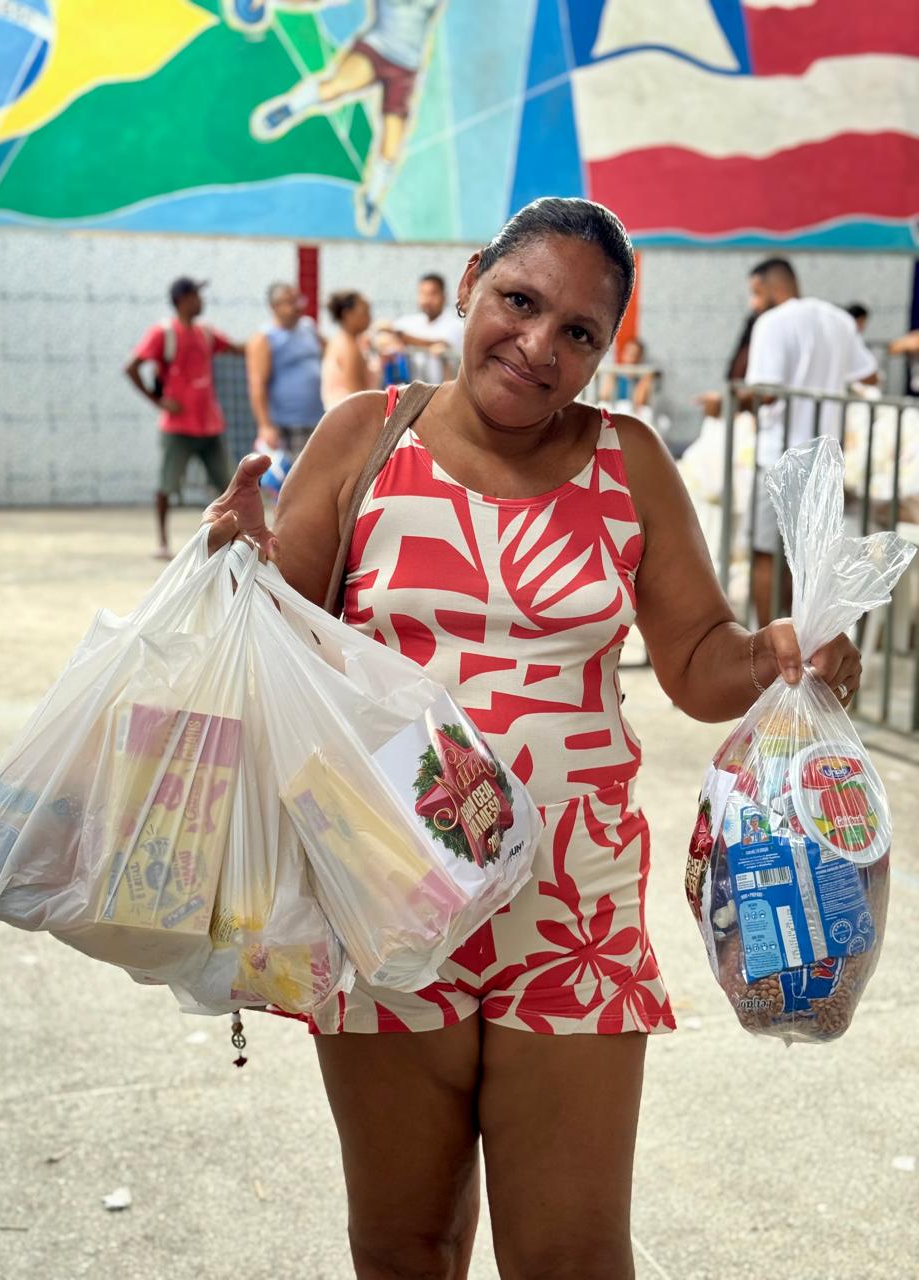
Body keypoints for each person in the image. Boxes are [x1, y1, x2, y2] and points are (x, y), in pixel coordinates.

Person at [205, 198, 859, 1279]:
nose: (539, 346)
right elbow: (281, 640)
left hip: (572, 910)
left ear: (605, 351)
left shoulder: (628, 461)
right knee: (405, 1247)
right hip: (386, 898)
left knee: (573, 1254)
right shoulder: (365, 436)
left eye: (579, 332)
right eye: (519, 301)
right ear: (472, 281)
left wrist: (778, 652)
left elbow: (699, 659)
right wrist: (235, 569)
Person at [745, 258, 878, 627]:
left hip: (779, 456)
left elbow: (765, 392)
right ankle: (801, 644)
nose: (754, 303)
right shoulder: (839, 320)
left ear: (774, 287)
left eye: (756, 293)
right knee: (806, 563)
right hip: (823, 460)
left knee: (765, 554)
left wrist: (731, 399)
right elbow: (869, 374)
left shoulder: (772, 323)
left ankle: (768, 647)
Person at [239, 0, 446, 234]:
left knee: (391, 146)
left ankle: (371, 198)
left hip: (406, 70)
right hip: (375, 51)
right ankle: (288, 108)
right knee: (334, 87)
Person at [125, 277, 244, 559]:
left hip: (209, 424)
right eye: (195, 296)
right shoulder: (163, 333)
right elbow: (132, 367)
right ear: (182, 300)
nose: (201, 301)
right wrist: (158, 401)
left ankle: (236, 539)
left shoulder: (205, 333)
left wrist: (265, 343)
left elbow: (236, 348)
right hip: (178, 426)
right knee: (167, 484)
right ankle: (163, 542)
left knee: (230, 483)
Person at [246, 281, 325, 466]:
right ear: (274, 307)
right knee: (295, 476)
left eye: (298, 300)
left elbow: (328, 351)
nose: (297, 306)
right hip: (287, 425)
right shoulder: (264, 338)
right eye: (290, 302)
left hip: (317, 420)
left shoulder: (308, 327)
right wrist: (265, 426)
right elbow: (257, 385)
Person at [385, 271, 464, 383]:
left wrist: (403, 338)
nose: (427, 300)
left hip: (442, 389)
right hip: (415, 389)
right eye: (423, 294)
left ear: (444, 296)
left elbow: (443, 343)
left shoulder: (456, 326)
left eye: (433, 294)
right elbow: (385, 328)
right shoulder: (412, 321)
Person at [321, 291, 381, 409]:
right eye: (365, 312)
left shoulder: (347, 341)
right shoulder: (348, 347)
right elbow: (357, 396)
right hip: (350, 415)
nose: (369, 317)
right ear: (347, 314)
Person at [599, 335, 653, 410]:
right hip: (616, 408)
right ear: (623, 354)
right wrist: (612, 375)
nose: (631, 357)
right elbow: (604, 396)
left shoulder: (643, 376)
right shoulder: (614, 373)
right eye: (628, 352)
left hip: (633, 410)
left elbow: (639, 401)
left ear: (640, 357)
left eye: (635, 354)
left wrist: (643, 379)